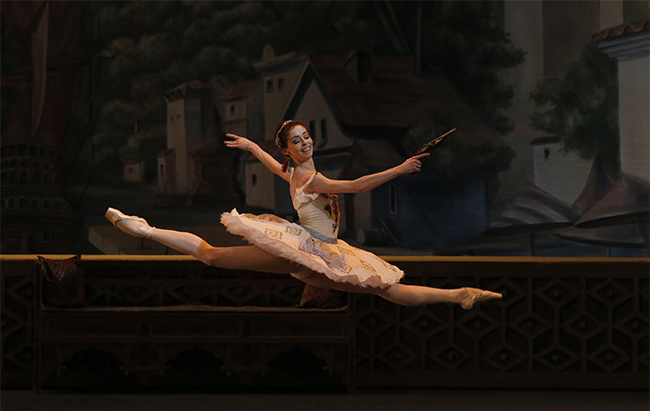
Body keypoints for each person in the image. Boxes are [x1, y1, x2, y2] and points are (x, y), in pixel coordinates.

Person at [106, 120, 501, 309]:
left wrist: (250, 147)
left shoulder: (294, 172)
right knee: (213, 255)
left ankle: (459, 295)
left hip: (323, 252)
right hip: (308, 248)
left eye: (307, 136)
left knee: (388, 289)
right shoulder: (310, 179)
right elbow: (357, 186)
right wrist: (399, 169)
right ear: (290, 151)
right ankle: (146, 228)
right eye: (297, 141)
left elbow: (270, 163)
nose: (306, 143)